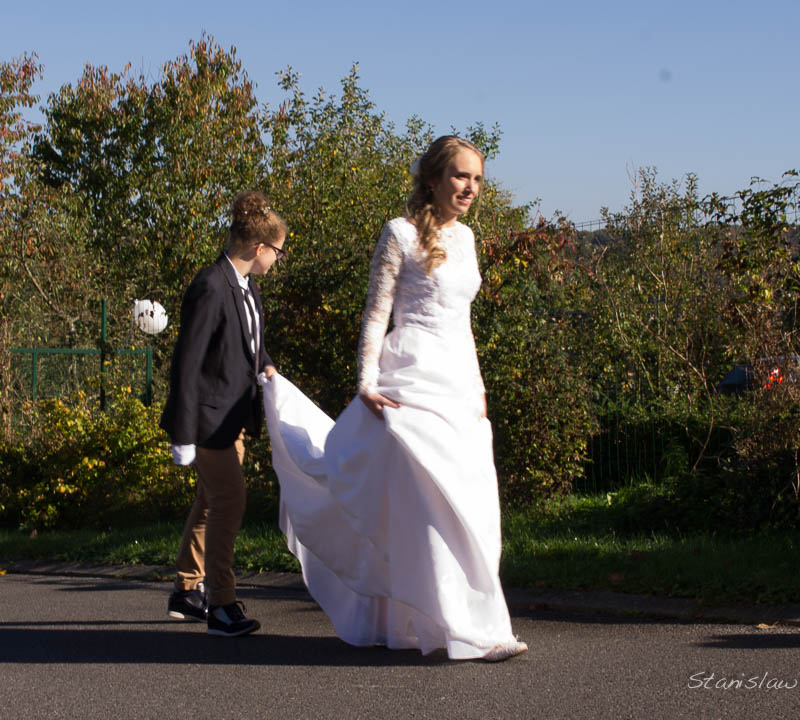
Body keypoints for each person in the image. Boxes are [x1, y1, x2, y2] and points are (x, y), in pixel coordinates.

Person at [263, 136, 528, 661]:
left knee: (471, 504)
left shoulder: (469, 239)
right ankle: (457, 630)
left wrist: (478, 390)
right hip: (408, 381)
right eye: (459, 175)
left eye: (476, 177)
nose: (470, 187)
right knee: (423, 507)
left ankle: (463, 619)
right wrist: (365, 382)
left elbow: (464, 323)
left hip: (457, 386)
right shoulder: (399, 234)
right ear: (432, 179)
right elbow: (376, 313)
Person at [160, 190, 286, 637]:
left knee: (211, 501)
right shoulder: (211, 285)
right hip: (208, 421)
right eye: (278, 251)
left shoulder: (247, 287)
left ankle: (185, 591)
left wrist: (266, 363)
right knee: (230, 501)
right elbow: (188, 361)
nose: (278, 259)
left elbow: (251, 343)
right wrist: (183, 432)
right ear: (259, 248)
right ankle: (222, 605)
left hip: (233, 417)